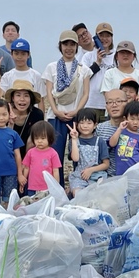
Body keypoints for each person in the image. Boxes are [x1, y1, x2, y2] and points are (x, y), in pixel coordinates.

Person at [43, 30, 91, 184]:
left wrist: (76, 111)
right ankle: (57, 186)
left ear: (77, 46)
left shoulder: (84, 69)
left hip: (76, 117)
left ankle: (79, 184)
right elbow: (49, 92)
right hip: (55, 116)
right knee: (55, 153)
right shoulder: (51, 67)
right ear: (60, 46)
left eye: (72, 44)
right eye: (65, 44)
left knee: (78, 153)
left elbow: (85, 94)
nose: (69, 48)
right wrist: (56, 111)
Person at [68, 109, 111, 193]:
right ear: (77, 125)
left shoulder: (100, 141)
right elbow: (75, 159)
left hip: (97, 175)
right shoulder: (73, 141)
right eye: (82, 123)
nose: (85, 126)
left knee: (98, 194)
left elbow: (106, 164)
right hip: (79, 176)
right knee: (78, 195)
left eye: (89, 123)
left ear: (95, 125)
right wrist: (74, 140)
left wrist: (91, 170)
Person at [82, 22, 116, 120]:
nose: (104, 39)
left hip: (110, 104)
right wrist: (97, 62)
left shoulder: (116, 56)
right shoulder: (88, 56)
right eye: (101, 36)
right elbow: (83, 77)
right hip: (91, 103)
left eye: (108, 36)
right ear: (96, 37)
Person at [5, 79, 46, 162]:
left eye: (26, 95)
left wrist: (25, 164)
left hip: (29, 155)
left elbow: (34, 140)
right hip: (6, 154)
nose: (22, 99)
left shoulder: (37, 114)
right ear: (13, 98)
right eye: (18, 95)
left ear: (31, 99)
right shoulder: (4, 112)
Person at [108, 101, 139, 176]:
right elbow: (112, 144)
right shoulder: (120, 131)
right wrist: (119, 129)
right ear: (125, 118)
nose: (135, 122)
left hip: (137, 172)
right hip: (121, 173)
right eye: (132, 119)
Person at [20, 121, 61, 196]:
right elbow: (26, 167)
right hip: (32, 186)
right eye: (36, 138)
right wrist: (23, 182)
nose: (39, 141)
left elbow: (55, 171)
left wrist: (56, 185)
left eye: (43, 138)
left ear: (50, 138)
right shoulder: (30, 152)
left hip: (47, 187)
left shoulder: (53, 153)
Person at [98, 89, 129, 177]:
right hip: (104, 177)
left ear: (126, 103)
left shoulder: (135, 128)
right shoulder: (99, 129)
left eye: (118, 101)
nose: (114, 105)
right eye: (110, 102)